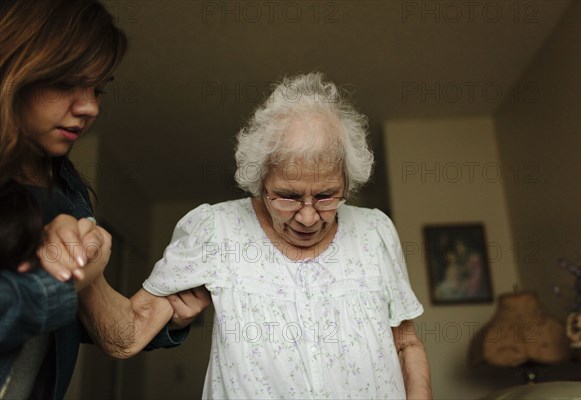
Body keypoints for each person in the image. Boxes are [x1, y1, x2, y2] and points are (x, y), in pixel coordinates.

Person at [81, 72, 432, 399]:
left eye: (326, 195)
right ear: (260, 180)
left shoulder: (375, 231)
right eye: (288, 196)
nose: (308, 217)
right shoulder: (215, 231)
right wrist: (88, 277)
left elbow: (406, 345)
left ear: (348, 183)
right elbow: (125, 339)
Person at [0, 1, 209, 398]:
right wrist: (61, 284)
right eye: (65, 83)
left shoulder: (65, 193)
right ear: (13, 66)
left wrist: (169, 313)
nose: (90, 107)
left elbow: (77, 321)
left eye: (98, 88)